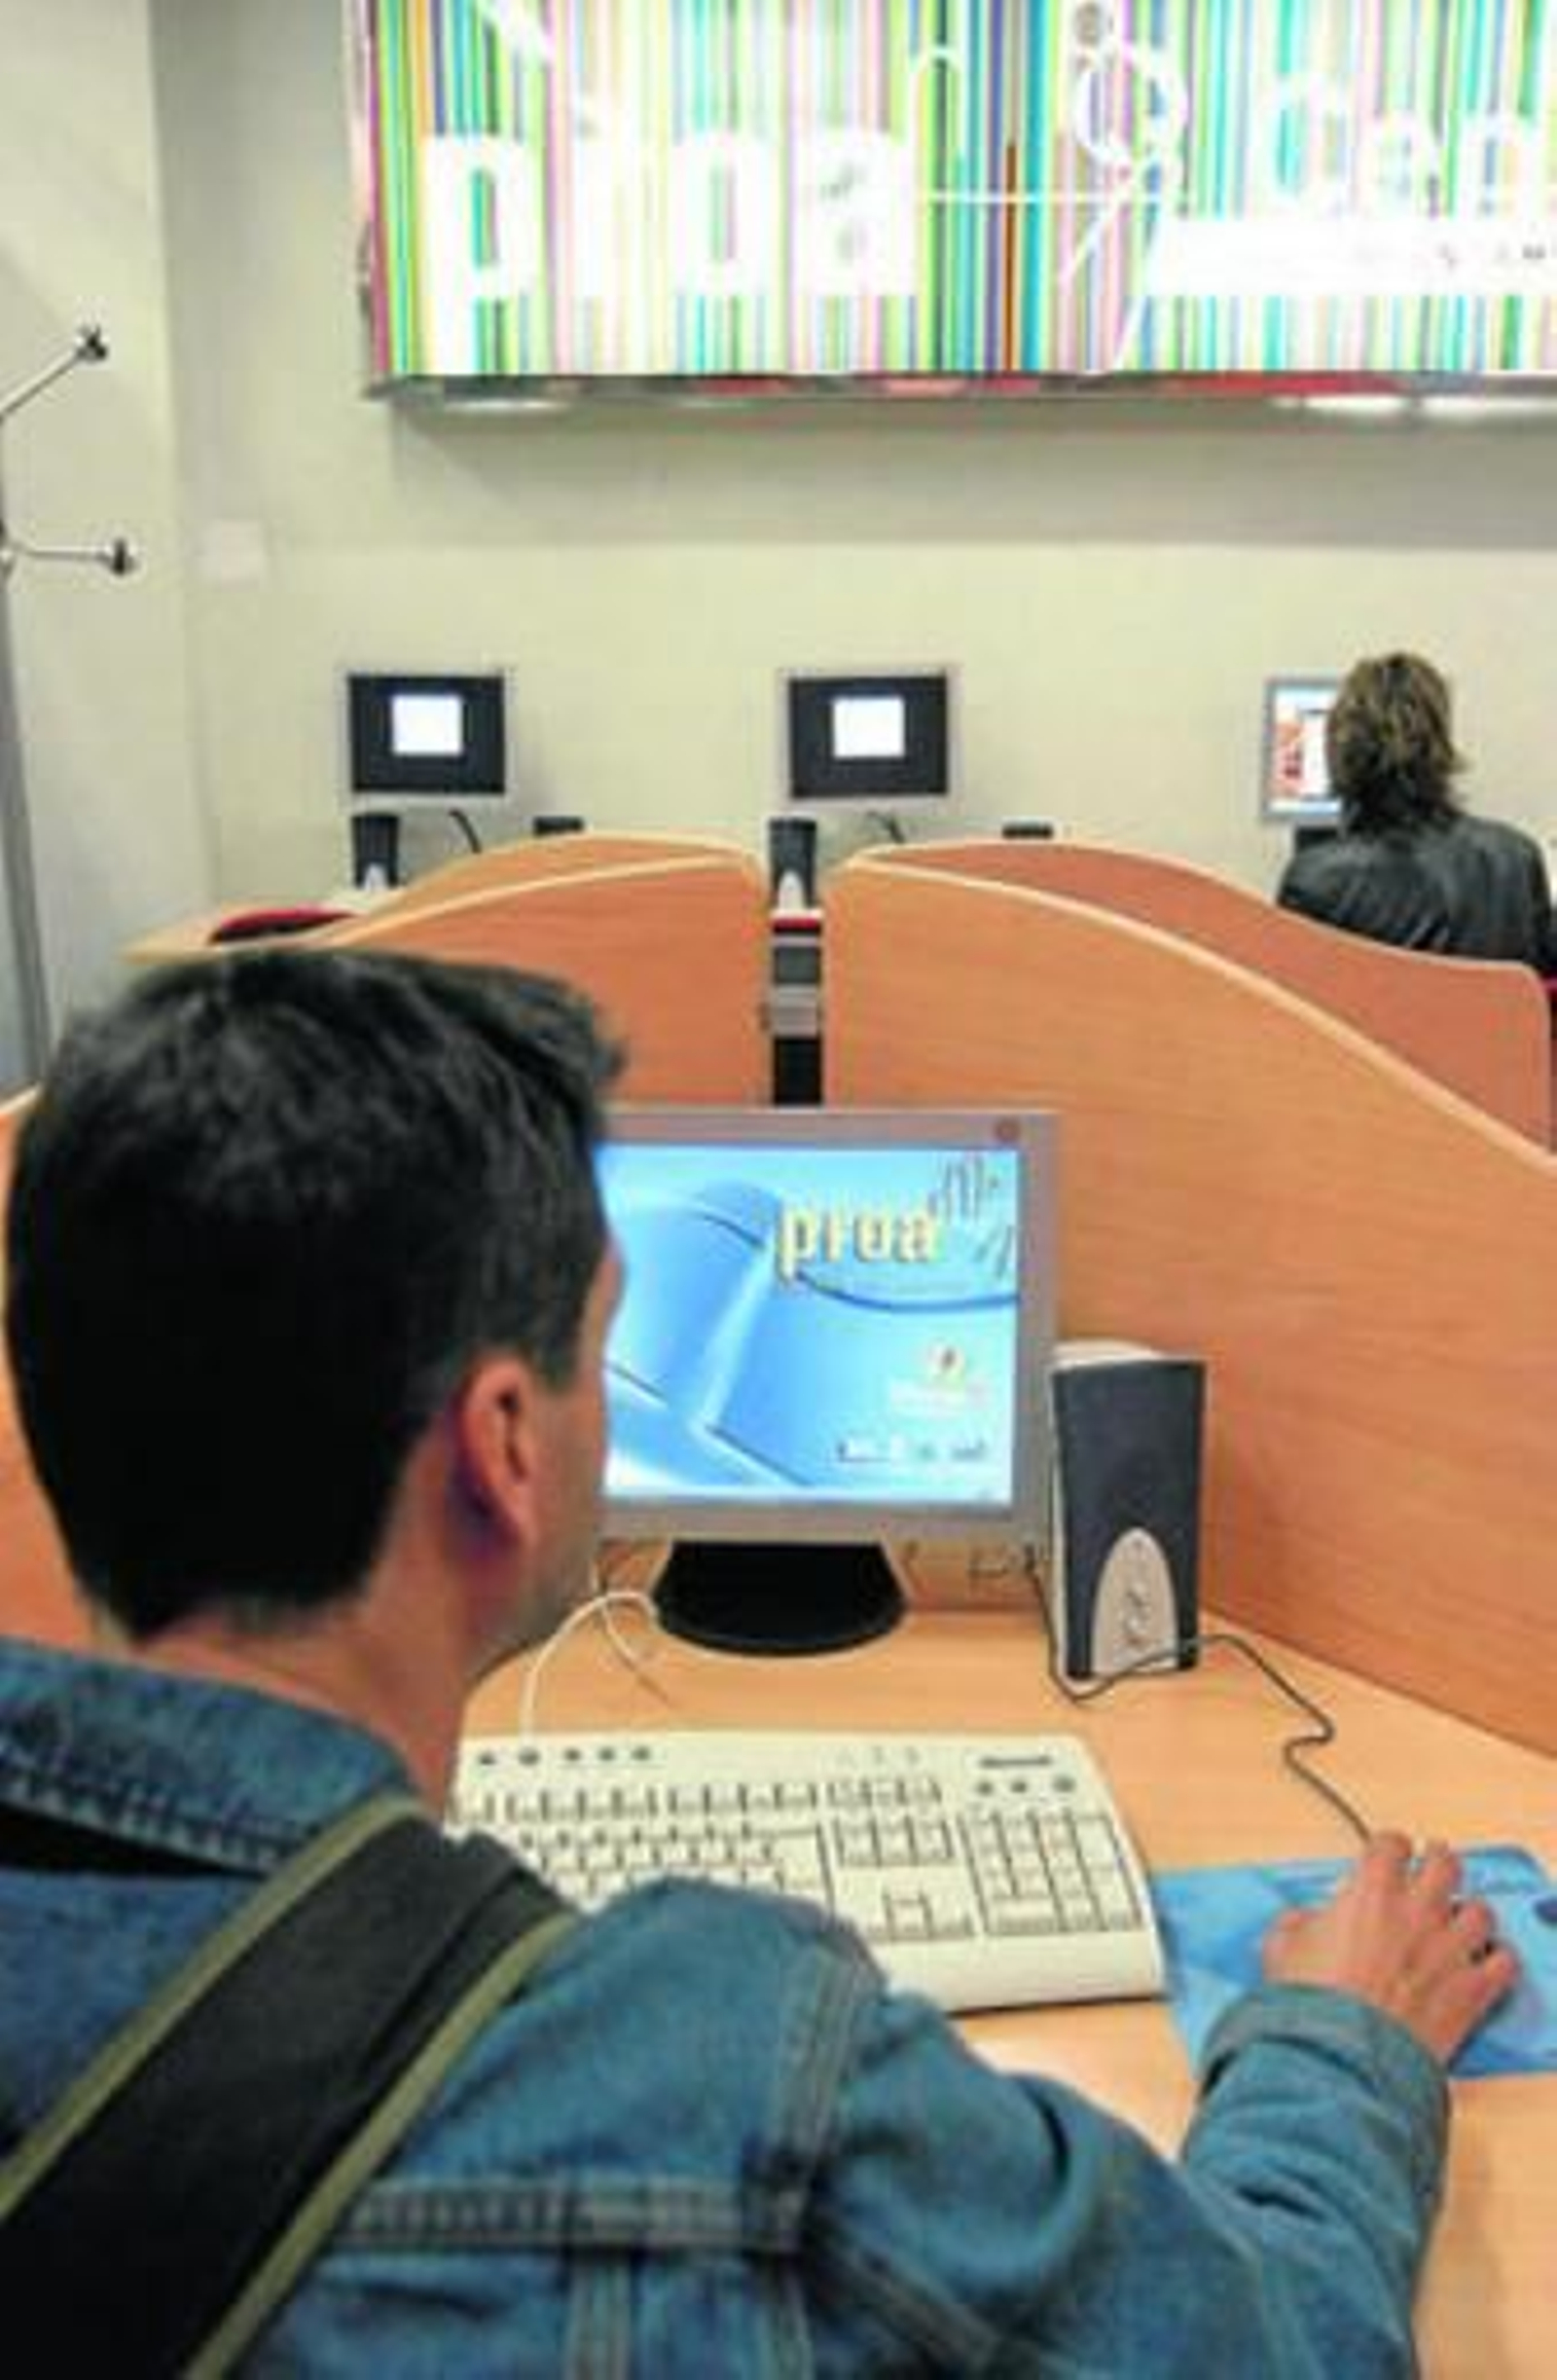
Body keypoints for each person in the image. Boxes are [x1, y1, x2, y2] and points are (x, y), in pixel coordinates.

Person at [0, 948, 1516, 2372]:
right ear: (505, 1447)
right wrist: (1344, 2043)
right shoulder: (726, 2069)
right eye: (602, 1350)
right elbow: (1269, 2347)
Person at [1277, 650, 1557, 970]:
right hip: (1491, 1023)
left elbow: (1294, 1008)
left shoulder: (1315, 882)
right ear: (1440, 743)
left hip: (1373, 1023)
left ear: (1342, 751)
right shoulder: (1516, 860)